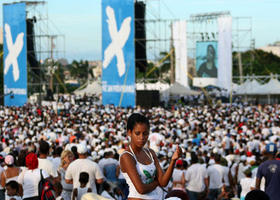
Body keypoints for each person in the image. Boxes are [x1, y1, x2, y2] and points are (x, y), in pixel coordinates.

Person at [120, 113, 182, 200]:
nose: (142, 137)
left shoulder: (150, 153)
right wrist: (157, 182)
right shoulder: (127, 156)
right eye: (137, 133)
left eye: (145, 134)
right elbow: (141, 189)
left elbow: (163, 182)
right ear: (129, 133)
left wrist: (173, 160)